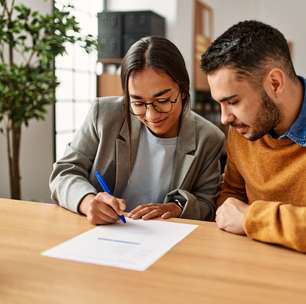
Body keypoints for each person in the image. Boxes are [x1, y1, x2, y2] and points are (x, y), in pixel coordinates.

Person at [50, 36, 224, 225]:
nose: (151, 115)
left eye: (163, 101)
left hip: (168, 241)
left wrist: (178, 208)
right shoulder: (104, 115)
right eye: (138, 103)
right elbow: (64, 172)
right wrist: (87, 201)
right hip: (106, 233)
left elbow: (208, 204)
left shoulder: (209, 138)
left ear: (182, 91)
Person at [201, 20, 306, 252]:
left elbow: (244, 214)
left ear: (275, 83)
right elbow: (231, 197)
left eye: (233, 101)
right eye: (219, 103)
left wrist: (252, 218)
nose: (224, 118)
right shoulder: (243, 128)